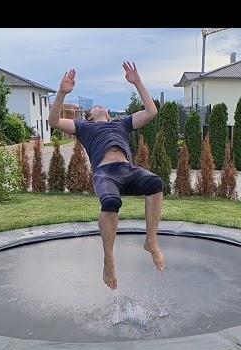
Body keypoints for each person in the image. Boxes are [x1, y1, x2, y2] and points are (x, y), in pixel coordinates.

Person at [48, 62, 165, 290]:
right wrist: (62, 92)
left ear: (108, 114)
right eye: (96, 107)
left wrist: (137, 82)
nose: (99, 106)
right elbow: (53, 122)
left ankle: (151, 241)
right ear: (90, 117)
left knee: (155, 183)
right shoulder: (84, 127)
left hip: (128, 170)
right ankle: (109, 259)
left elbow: (151, 111)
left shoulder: (121, 124)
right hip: (105, 174)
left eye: (103, 106)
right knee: (111, 202)